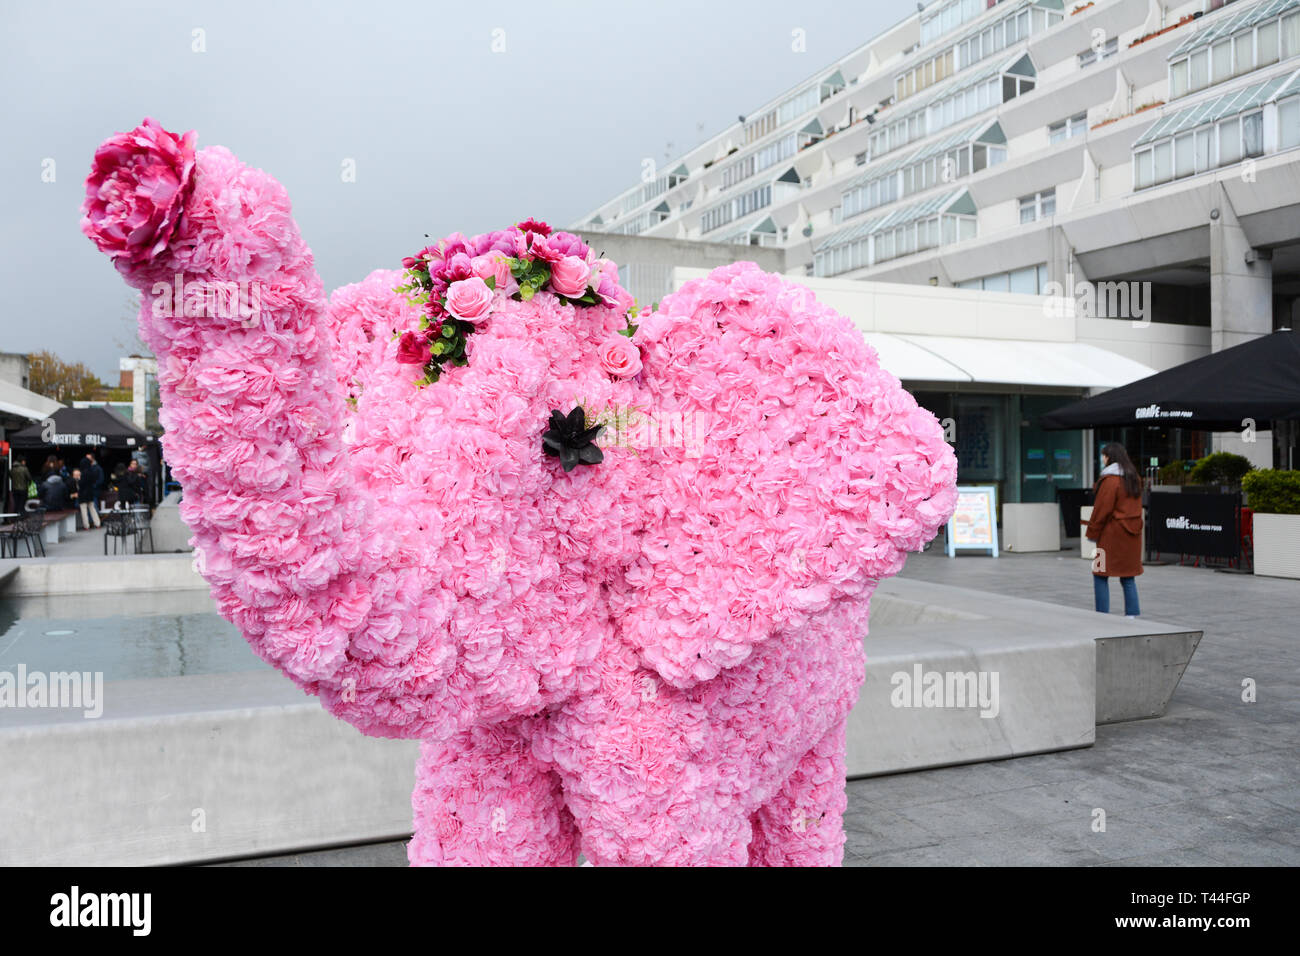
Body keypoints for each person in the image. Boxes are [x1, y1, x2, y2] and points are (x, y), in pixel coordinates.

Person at [1085, 441, 1143, 618]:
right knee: (1128, 576)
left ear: (1109, 458)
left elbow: (1101, 509)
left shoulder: (1110, 480)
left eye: (1104, 455)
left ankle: (1102, 615)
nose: (1102, 458)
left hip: (1110, 536)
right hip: (1132, 535)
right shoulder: (1134, 477)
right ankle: (1132, 615)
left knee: (1099, 573)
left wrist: (1092, 532)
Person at [78, 456, 103, 529]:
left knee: (84, 510)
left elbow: (81, 484)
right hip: (90, 492)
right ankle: (97, 523)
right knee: (92, 508)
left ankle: (86, 525)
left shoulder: (82, 473)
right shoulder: (92, 471)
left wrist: (78, 480)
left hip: (82, 493)